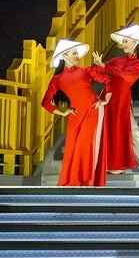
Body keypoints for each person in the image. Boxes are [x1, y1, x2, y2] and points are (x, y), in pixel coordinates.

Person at [95, 25, 139, 174]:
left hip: (121, 100)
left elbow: (124, 76)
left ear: (136, 43)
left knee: (132, 131)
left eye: (126, 41)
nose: (123, 45)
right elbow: (101, 70)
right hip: (108, 97)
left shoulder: (138, 65)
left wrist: (104, 66)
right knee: (109, 130)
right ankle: (112, 164)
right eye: (123, 42)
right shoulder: (119, 60)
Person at [41, 39, 111, 186]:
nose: (77, 56)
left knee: (87, 147)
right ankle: (74, 181)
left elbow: (109, 82)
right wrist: (63, 112)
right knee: (73, 149)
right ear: (64, 56)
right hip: (75, 115)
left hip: (93, 111)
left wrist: (105, 100)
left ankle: (88, 181)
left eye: (77, 53)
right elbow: (45, 102)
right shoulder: (57, 79)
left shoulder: (85, 70)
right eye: (74, 53)